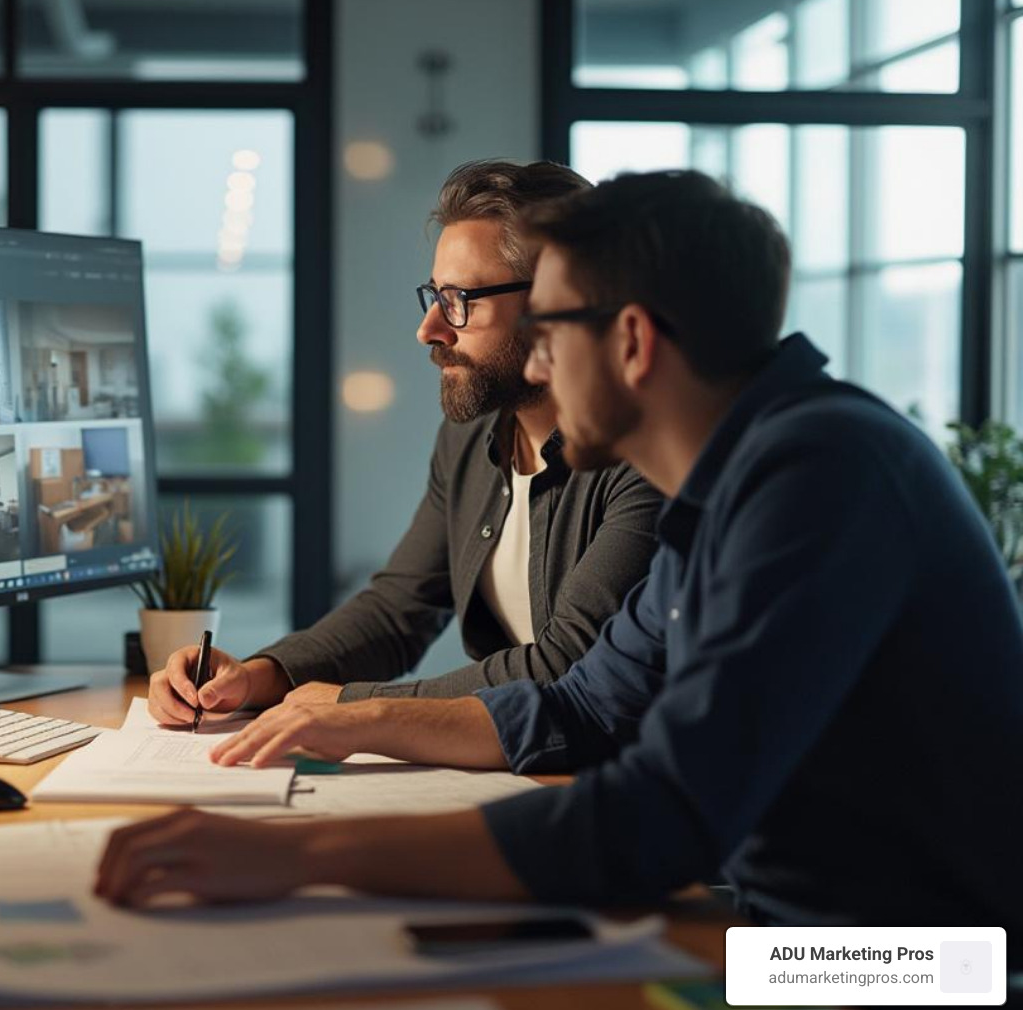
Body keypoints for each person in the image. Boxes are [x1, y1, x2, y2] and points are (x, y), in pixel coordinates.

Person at [96, 170, 1023, 937]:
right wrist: (328, 717)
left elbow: (660, 820)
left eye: (555, 331)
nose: (538, 365)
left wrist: (302, 856)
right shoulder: (741, 471)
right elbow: (580, 707)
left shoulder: (816, 476)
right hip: (774, 923)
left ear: (630, 341)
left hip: (915, 962)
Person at [150, 161, 661, 725]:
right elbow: (399, 610)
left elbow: (570, 663)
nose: (431, 329)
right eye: (434, 296)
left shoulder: (646, 456)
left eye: (461, 300)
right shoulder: (468, 438)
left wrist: (350, 707)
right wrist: (257, 676)